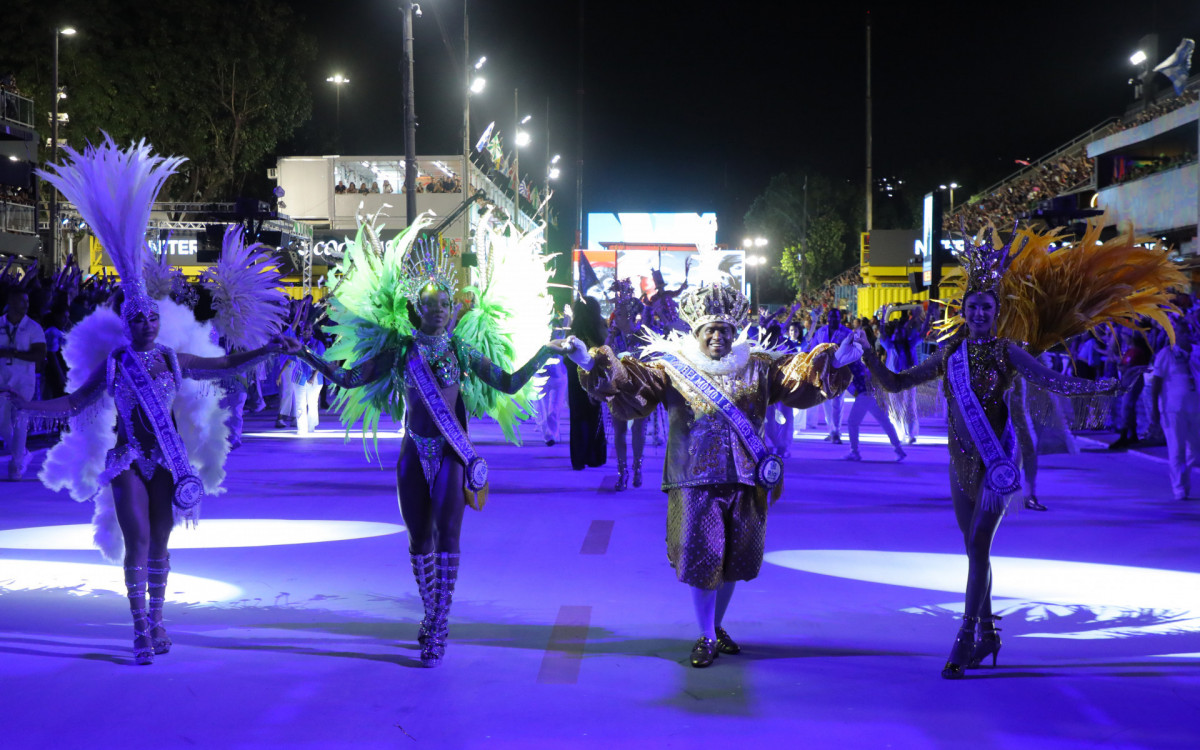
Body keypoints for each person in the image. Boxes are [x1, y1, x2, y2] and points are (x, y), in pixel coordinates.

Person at [7, 137, 293, 665]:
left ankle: (158, 619)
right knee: (136, 541)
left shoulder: (173, 360)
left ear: (158, 321)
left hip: (169, 459)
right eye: (135, 317)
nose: (143, 323)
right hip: (127, 461)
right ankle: (140, 628)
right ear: (128, 321)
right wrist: (27, 410)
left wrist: (267, 347)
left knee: (161, 544)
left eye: (150, 317)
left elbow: (227, 365)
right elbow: (74, 404)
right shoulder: (116, 361)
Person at [857, 219, 1178, 679]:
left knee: (979, 550)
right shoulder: (950, 356)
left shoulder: (1009, 352)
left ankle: (965, 637)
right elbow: (898, 382)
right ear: (965, 311)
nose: (981, 312)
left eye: (988, 306)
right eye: (974, 306)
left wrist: (1109, 383)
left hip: (995, 465)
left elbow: (1058, 383)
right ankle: (988, 634)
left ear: (997, 310)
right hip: (958, 465)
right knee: (973, 552)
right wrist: (868, 357)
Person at [298, 217, 567, 668]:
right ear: (416, 310)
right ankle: (430, 610)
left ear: (454, 309)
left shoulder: (461, 350)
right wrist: (304, 351)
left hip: (449, 453)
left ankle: (439, 624)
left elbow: (506, 381)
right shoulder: (403, 352)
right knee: (418, 539)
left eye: (445, 302)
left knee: (448, 537)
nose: (439, 309)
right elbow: (349, 377)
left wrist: (545, 351)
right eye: (430, 303)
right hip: (411, 452)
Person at [567, 283, 861, 667]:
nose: (718, 336)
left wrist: (835, 361)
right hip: (693, 480)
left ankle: (714, 625)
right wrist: (591, 364)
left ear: (734, 332)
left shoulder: (757, 366)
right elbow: (632, 381)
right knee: (704, 558)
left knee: (734, 562)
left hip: (746, 478)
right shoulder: (673, 368)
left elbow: (795, 380)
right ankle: (705, 635)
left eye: (724, 329)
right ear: (697, 332)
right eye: (710, 329)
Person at [1149, 317, 1200, 500]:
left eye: (1188, 330)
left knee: (1195, 451)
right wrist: (1155, 410)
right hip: (1173, 409)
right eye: (1181, 331)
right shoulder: (1166, 354)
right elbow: (1156, 383)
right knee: (1176, 449)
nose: (1186, 334)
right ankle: (1179, 488)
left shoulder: (1197, 353)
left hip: (1196, 408)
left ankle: (1183, 475)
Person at [606, 279, 649, 489]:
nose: (616, 318)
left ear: (630, 317)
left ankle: (638, 467)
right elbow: (602, 359)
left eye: (620, 315)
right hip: (618, 391)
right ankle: (622, 472)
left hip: (641, 391)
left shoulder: (645, 337)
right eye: (617, 314)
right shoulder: (613, 337)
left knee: (639, 431)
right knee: (619, 431)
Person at [0, 289, 45, 480]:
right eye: (21, 302)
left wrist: (13, 353)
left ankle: (16, 466)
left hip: (24, 382)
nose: (26, 305)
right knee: (2, 425)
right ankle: (24, 453)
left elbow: (40, 354)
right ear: (10, 302)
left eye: (27, 302)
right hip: (2, 379)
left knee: (20, 422)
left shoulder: (33, 327)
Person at [566, 296, 608, 471]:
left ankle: (578, 459)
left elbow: (566, 358)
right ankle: (594, 456)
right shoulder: (599, 331)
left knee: (577, 416)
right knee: (594, 414)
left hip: (575, 378)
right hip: (594, 377)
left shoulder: (573, 332)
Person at [805, 307, 850, 443]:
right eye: (831, 317)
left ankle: (836, 432)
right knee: (827, 403)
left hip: (839, 372)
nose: (833, 319)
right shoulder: (821, 332)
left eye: (836, 317)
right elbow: (814, 349)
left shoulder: (847, 333)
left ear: (840, 318)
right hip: (824, 372)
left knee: (837, 403)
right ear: (828, 318)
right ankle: (831, 431)